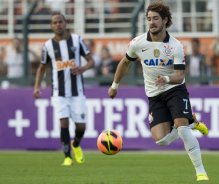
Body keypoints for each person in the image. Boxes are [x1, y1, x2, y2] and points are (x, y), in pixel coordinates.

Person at [108, 1, 209, 181]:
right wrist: (114, 86)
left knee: (182, 129)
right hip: (154, 95)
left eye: (155, 18)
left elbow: (180, 75)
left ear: (165, 21)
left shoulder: (175, 46)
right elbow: (124, 63)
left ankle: (200, 171)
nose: (151, 22)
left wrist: (167, 79)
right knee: (162, 141)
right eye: (148, 19)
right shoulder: (138, 43)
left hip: (175, 89)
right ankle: (191, 120)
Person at [33, 12, 95, 166]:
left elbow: (91, 61)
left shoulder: (77, 40)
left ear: (65, 23)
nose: (58, 25)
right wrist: (36, 87)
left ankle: (76, 145)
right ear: (51, 26)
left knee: (81, 126)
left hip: (77, 92)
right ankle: (67, 157)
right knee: (64, 123)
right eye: (54, 22)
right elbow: (41, 68)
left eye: (60, 21)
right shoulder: (47, 46)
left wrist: (82, 69)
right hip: (58, 92)